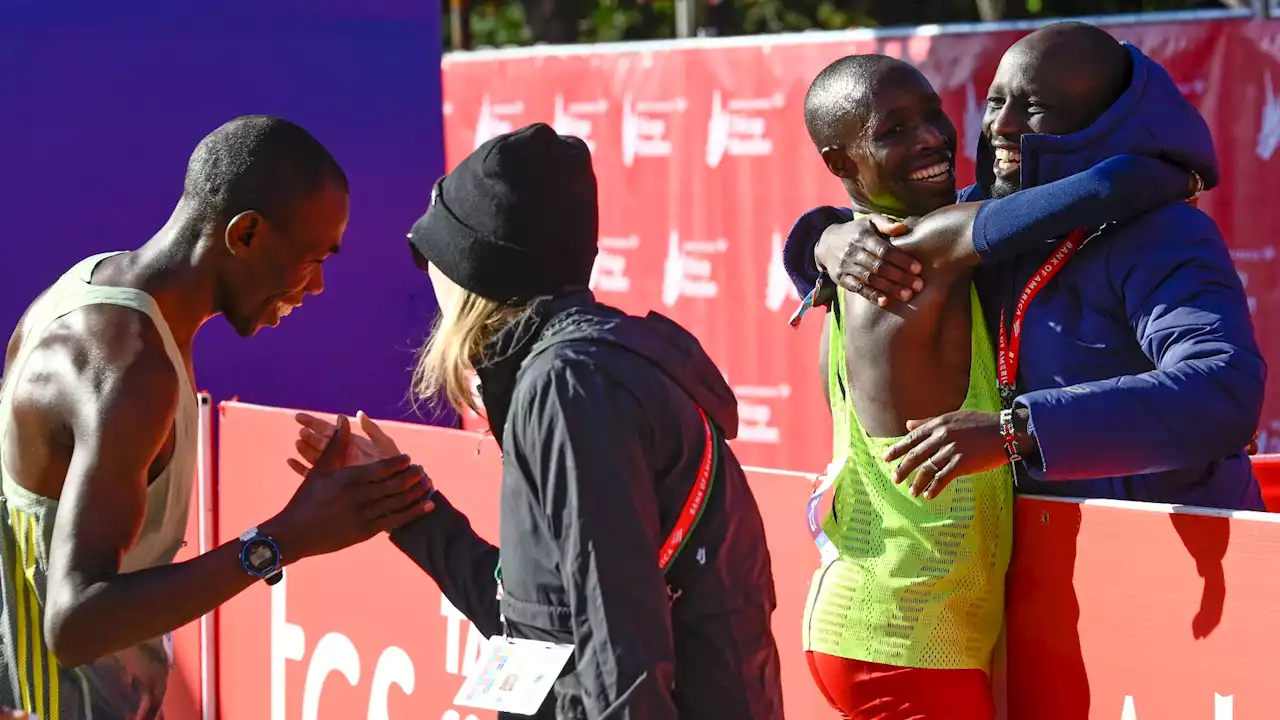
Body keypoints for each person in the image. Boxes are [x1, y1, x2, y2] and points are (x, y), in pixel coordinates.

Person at [288, 123, 784, 720]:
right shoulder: (571, 371)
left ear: (475, 271)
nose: (427, 278)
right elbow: (535, 622)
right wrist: (406, 506)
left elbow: (617, 642)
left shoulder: (569, 384)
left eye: (432, 256)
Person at [793, 52, 1201, 720]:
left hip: (894, 631)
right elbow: (1104, 189)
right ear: (842, 163)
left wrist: (821, 234)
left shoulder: (866, 260)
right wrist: (1182, 165)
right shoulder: (919, 250)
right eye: (894, 130)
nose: (931, 136)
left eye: (932, 114)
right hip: (900, 640)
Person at [0, 115, 433, 719]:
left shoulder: (99, 292)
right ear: (246, 234)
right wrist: (285, 539)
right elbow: (75, 623)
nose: (319, 287)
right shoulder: (130, 369)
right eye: (312, 258)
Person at [786, 22, 1265, 510]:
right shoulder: (978, 216)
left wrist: (1021, 430)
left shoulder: (1164, 232)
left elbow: (1223, 389)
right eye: (995, 102)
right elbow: (883, 224)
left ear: (1100, 121)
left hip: (1172, 556)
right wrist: (822, 241)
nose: (1001, 126)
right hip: (1032, 563)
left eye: (1033, 108)